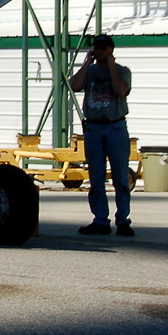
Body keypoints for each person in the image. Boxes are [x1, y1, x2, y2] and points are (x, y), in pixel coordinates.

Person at [69, 34, 134, 237]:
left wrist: (111, 66)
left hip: (115, 127)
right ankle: (100, 220)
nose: (101, 52)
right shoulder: (90, 70)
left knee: (121, 177)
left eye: (104, 48)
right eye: (97, 48)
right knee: (96, 177)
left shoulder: (122, 71)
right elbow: (74, 85)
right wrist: (87, 62)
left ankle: (123, 220)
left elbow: (121, 90)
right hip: (94, 128)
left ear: (111, 50)